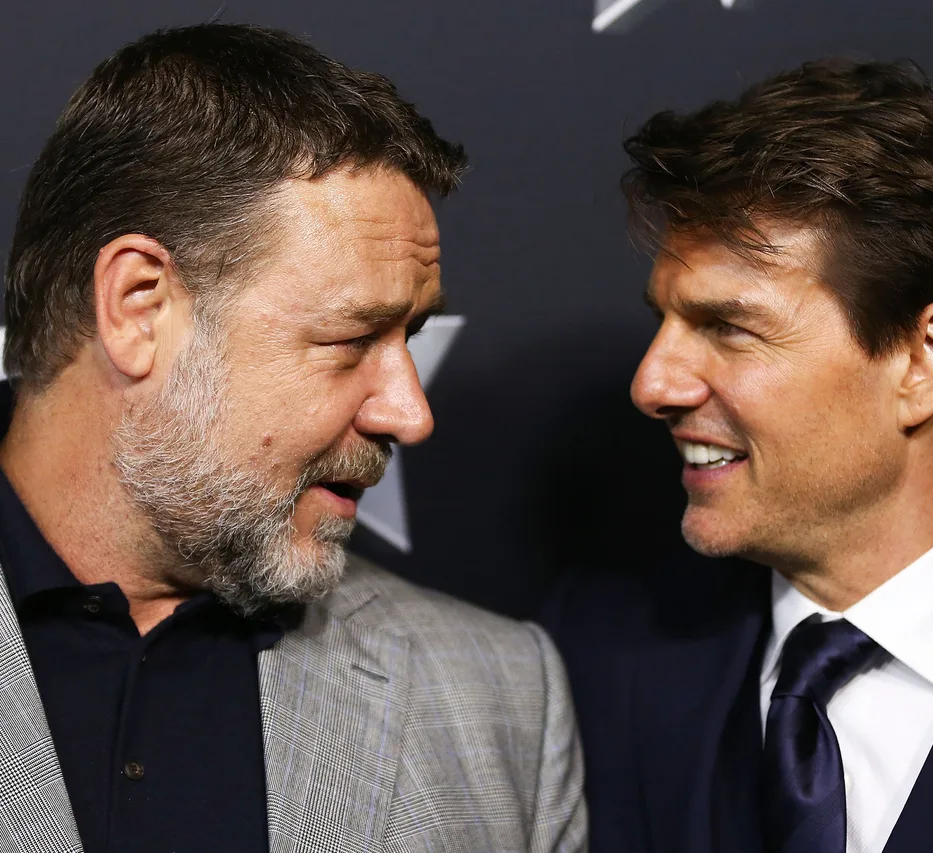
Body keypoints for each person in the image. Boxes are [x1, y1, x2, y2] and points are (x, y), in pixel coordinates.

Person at [0, 23, 585, 853]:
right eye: (351, 338)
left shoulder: (499, 694)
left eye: (410, 337)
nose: (410, 413)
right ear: (139, 306)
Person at [543, 58, 933, 853]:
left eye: (729, 327)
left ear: (927, 359)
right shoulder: (591, 652)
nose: (652, 383)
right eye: (664, 322)